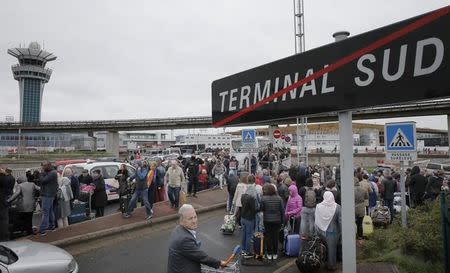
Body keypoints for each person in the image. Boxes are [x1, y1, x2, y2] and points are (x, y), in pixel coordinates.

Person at [167, 204, 226, 273]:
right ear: (182, 220)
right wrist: (219, 263)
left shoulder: (177, 229)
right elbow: (201, 257)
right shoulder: (184, 239)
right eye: (190, 218)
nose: (194, 221)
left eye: (195, 217)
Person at [315, 191, 341, 271]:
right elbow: (340, 221)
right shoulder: (337, 207)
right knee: (331, 250)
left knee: (322, 248)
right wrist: (341, 232)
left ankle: (323, 263)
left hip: (320, 231)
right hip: (333, 232)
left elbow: (316, 219)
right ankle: (331, 266)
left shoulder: (318, 206)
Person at [260, 183, 284, 260]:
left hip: (267, 220)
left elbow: (262, 209)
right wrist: (283, 221)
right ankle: (275, 253)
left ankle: (269, 253)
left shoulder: (263, 198)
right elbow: (282, 210)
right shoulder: (279, 198)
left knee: (268, 236)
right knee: (275, 236)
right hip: (277, 220)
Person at [39, 161, 58, 235]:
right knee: (49, 210)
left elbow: (43, 181)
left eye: (43, 166)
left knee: (45, 212)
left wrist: (41, 173)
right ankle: (51, 226)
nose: (42, 168)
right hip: (48, 194)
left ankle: (43, 229)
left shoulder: (52, 173)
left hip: (48, 194)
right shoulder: (51, 172)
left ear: (47, 166)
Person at [240, 180, 258, 257]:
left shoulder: (243, 196)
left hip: (243, 218)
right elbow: (254, 209)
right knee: (248, 235)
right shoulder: (251, 198)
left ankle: (243, 250)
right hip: (249, 219)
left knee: (244, 234)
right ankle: (247, 252)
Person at [0, 168, 10, 240]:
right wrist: (3, 174)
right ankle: (4, 238)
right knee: (4, 220)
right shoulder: (4, 178)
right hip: (3, 202)